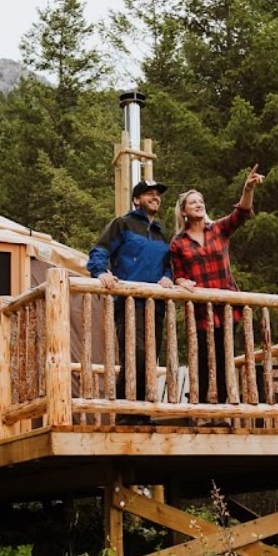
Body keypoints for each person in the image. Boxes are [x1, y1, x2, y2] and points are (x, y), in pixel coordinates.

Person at [170, 164, 264, 406]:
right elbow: (177, 275)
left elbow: (241, 213)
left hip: (225, 308)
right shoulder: (178, 243)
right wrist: (181, 282)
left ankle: (223, 406)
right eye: (193, 202)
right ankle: (200, 405)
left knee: (224, 358)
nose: (199, 204)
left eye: (201, 201)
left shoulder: (219, 230)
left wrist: (248, 189)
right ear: (184, 211)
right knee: (201, 359)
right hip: (200, 311)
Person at [87, 179, 174, 420]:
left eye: (157, 194)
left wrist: (168, 277)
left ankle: (141, 412)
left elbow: (169, 267)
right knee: (134, 353)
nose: (155, 197)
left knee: (149, 358)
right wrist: (101, 271)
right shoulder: (122, 224)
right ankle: (127, 412)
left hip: (154, 305)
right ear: (137, 200)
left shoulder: (162, 235)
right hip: (128, 302)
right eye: (149, 194)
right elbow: (99, 251)